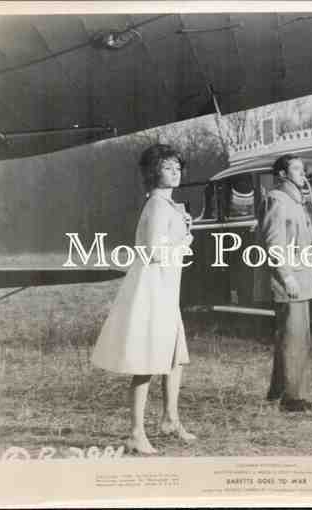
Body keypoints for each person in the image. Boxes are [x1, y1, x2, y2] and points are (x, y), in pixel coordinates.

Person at [91, 144, 196, 454]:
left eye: (178, 167)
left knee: (174, 356)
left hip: (166, 288)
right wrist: (186, 238)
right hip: (152, 289)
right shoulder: (157, 206)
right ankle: (136, 433)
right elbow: (153, 252)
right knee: (147, 360)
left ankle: (170, 420)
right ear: (153, 172)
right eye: (167, 167)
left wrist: (182, 228)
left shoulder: (167, 205)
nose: (175, 172)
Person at [259, 154, 312, 412]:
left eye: (303, 168)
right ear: (282, 174)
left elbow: (305, 239)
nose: (303, 173)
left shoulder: (296, 201)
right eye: (297, 169)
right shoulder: (278, 200)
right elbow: (274, 243)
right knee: (294, 339)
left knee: (293, 338)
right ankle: (292, 398)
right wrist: (286, 277)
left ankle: (279, 391)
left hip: (302, 278)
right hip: (291, 281)